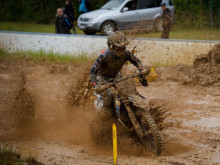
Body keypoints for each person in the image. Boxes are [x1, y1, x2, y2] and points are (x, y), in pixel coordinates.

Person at [90, 31, 148, 115]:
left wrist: (141, 69)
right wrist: (95, 84)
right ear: (111, 46)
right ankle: (107, 115)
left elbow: (137, 61)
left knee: (127, 91)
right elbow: (93, 71)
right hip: (102, 78)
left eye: (123, 47)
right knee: (107, 98)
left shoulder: (126, 53)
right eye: (118, 47)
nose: (120, 49)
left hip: (116, 76)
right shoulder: (105, 55)